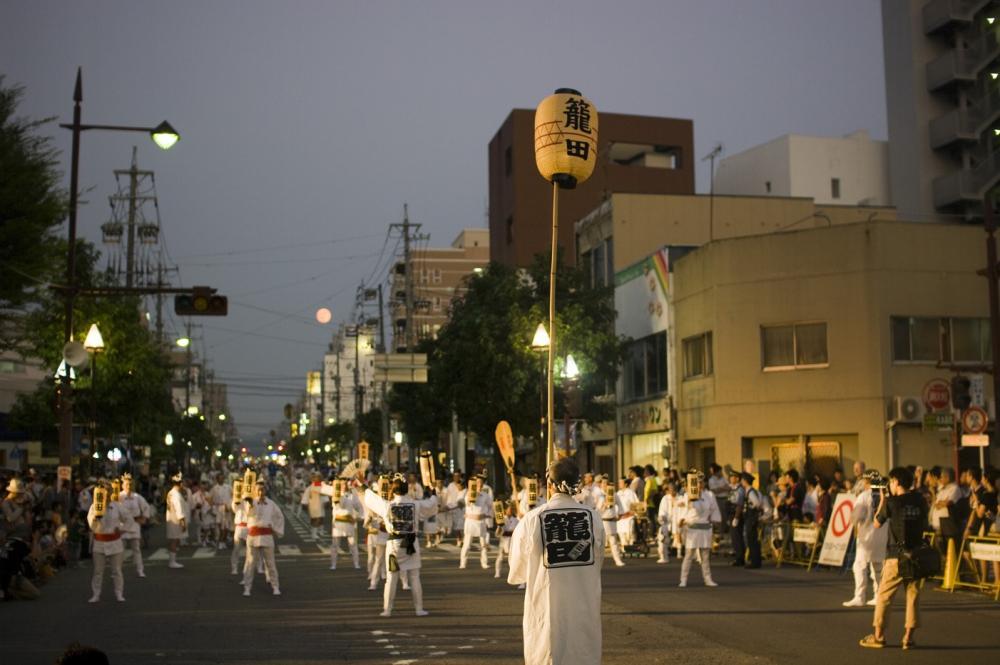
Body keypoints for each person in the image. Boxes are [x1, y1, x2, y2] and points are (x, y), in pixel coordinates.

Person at [507, 456, 604, 665]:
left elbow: (518, 572)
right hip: (584, 608)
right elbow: (598, 563)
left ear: (550, 484)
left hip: (546, 613)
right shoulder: (593, 517)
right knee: (583, 655)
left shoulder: (532, 519)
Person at [859, 467, 928, 650]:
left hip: (895, 556)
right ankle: (908, 638)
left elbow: (876, 523)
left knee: (884, 596)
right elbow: (925, 522)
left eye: (890, 481)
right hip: (916, 555)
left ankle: (878, 636)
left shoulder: (891, 502)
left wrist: (883, 499)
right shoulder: (920, 500)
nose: (889, 484)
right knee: (913, 596)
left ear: (896, 481)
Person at [363, 473, 439, 617]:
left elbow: (371, 499)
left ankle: (387, 609)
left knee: (391, 577)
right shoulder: (415, 504)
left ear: (393, 489)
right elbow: (431, 504)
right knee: (415, 576)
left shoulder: (388, 505)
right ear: (407, 489)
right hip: (411, 544)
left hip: (394, 546)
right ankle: (419, 609)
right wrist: (433, 491)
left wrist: (362, 484)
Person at [843, 472, 888, 607]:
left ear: (867, 482)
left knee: (859, 566)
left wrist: (853, 521)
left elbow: (856, 516)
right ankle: (878, 595)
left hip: (866, 536)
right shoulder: (884, 496)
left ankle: (859, 596)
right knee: (878, 567)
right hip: (882, 535)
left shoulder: (863, 496)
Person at [87, 480, 134, 602]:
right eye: (103, 491)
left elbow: (129, 519)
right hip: (99, 542)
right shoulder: (94, 507)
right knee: (98, 571)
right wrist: (96, 518)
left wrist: (122, 529)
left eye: (108, 491)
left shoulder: (117, 505)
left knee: (117, 571)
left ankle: (119, 593)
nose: (106, 494)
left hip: (115, 542)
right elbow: (91, 525)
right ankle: (96, 594)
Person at [678, 472, 721, 587]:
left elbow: (714, 509)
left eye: (701, 482)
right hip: (693, 526)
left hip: (705, 526)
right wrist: (681, 519)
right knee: (689, 555)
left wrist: (715, 521)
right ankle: (683, 579)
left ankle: (708, 579)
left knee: (705, 555)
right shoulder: (688, 495)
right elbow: (682, 509)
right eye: (697, 482)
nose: (700, 484)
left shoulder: (709, 495)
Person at [242, 480, 285, 597]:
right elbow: (247, 513)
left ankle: (275, 586)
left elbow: (279, 516)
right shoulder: (250, 502)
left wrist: (275, 528)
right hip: (253, 536)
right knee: (250, 563)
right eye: (258, 490)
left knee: (270, 563)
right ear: (255, 491)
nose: (261, 492)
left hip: (266, 535)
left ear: (266, 491)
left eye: (263, 490)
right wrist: (250, 503)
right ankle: (247, 587)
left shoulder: (271, 504)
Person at [117, 473, 150, 578]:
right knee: (120, 550)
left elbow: (146, 507)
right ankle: (117, 571)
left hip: (135, 525)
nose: (128, 486)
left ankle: (140, 570)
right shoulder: (119, 496)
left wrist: (144, 518)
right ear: (123, 485)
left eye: (130, 484)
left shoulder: (137, 497)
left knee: (136, 549)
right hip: (123, 525)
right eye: (126, 484)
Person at [325, 481, 362, 570]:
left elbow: (358, 506)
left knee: (353, 544)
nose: (344, 486)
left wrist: (358, 516)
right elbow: (338, 505)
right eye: (341, 485)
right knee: (335, 545)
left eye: (345, 484)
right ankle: (333, 564)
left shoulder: (352, 495)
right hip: (338, 523)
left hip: (349, 522)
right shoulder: (336, 495)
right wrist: (337, 494)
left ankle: (356, 563)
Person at [458, 475, 492, 570]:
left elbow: (490, 506)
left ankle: (484, 563)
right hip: (470, 522)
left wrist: (486, 515)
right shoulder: (468, 494)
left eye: (481, 483)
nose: (479, 484)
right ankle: (463, 563)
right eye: (477, 482)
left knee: (483, 544)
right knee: (467, 544)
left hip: (481, 522)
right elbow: (469, 503)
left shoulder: (485, 495)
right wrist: (473, 492)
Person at [596, 475, 625, 567]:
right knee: (599, 543)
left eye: (606, 483)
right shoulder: (597, 495)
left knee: (613, 542)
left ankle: (617, 560)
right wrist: (603, 505)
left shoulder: (613, 494)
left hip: (611, 520)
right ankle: (598, 563)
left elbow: (620, 505)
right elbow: (595, 509)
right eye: (603, 483)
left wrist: (620, 515)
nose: (605, 485)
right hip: (601, 520)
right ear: (600, 484)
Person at [740, 473, 764, 569]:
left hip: (751, 518)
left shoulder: (750, 492)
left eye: (742, 480)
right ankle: (755, 560)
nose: (741, 482)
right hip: (750, 517)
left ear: (745, 481)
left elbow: (757, 503)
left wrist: (752, 507)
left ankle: (755, 562)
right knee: (752, 539)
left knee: (752, 540)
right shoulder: (751, 491)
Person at [165, 473, 188, 569]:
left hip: (171, 518)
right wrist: (182, 522)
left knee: (174, 540)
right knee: (174, 540)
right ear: (181, 484)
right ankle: (172, 561)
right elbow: (178, 508)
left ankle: (172, 560)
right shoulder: (176, 495)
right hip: (175, 520)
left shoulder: (171, 492)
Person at [493, 501, 518, 579]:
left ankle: (513, 574)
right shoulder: (501, 519)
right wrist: (499, 527)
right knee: (500, 557)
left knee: (512, 559)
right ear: (505, 510)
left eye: (511, 510)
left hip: (512, 540)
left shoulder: (516, 520)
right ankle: (497, 572)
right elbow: (497, 533)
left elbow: (516, 531)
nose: (509, 511)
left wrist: (511, 532)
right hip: (504, 540)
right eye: (508, 510)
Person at [300, 472, 328, 540]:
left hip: (321, 504)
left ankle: (320, 531)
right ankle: (314, 533)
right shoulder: (310, 487)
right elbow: (306, 495)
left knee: (321, 519)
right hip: (313, 505)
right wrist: (304, 503)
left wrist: (326, 501)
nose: (316, 478)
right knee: (316, 519)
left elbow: (325, 493)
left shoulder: (322, 485)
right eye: (315, 477)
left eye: (318, 477)